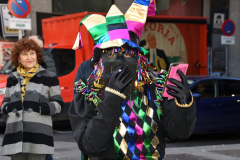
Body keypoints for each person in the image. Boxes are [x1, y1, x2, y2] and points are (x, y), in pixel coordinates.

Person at [69, 1, 196, 159]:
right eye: (113, 54)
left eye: (128, 54)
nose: (121, 60)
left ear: (139, 58)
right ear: (100, 60)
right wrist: (112, 96)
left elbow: (178, 133)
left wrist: (183, 104)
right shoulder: (90, 90)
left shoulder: (153, 87)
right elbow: (90, 145)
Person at [0, 38, 64, 160]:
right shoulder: (12, 77)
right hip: (15, 134)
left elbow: (59, 104)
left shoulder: (49, 77)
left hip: (38, 134)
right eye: (24, 54)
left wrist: (40, 108)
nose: (29, 57)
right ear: (18, 58)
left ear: (37, 55)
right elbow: (5, 103)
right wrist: (8, 108)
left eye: (32, 53)